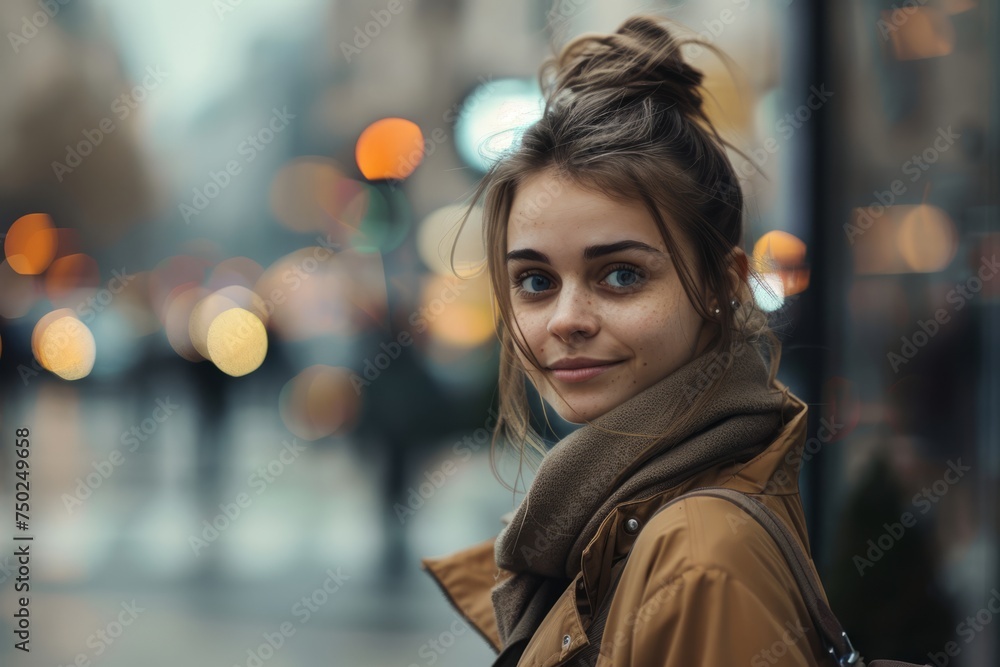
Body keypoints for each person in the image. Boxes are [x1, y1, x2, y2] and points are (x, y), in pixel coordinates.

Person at [421, 12, 837, 666]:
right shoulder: (604, 530)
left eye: (620, 275)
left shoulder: (701, 564)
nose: (566, 318)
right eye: (534, 280)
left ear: (722, 285)